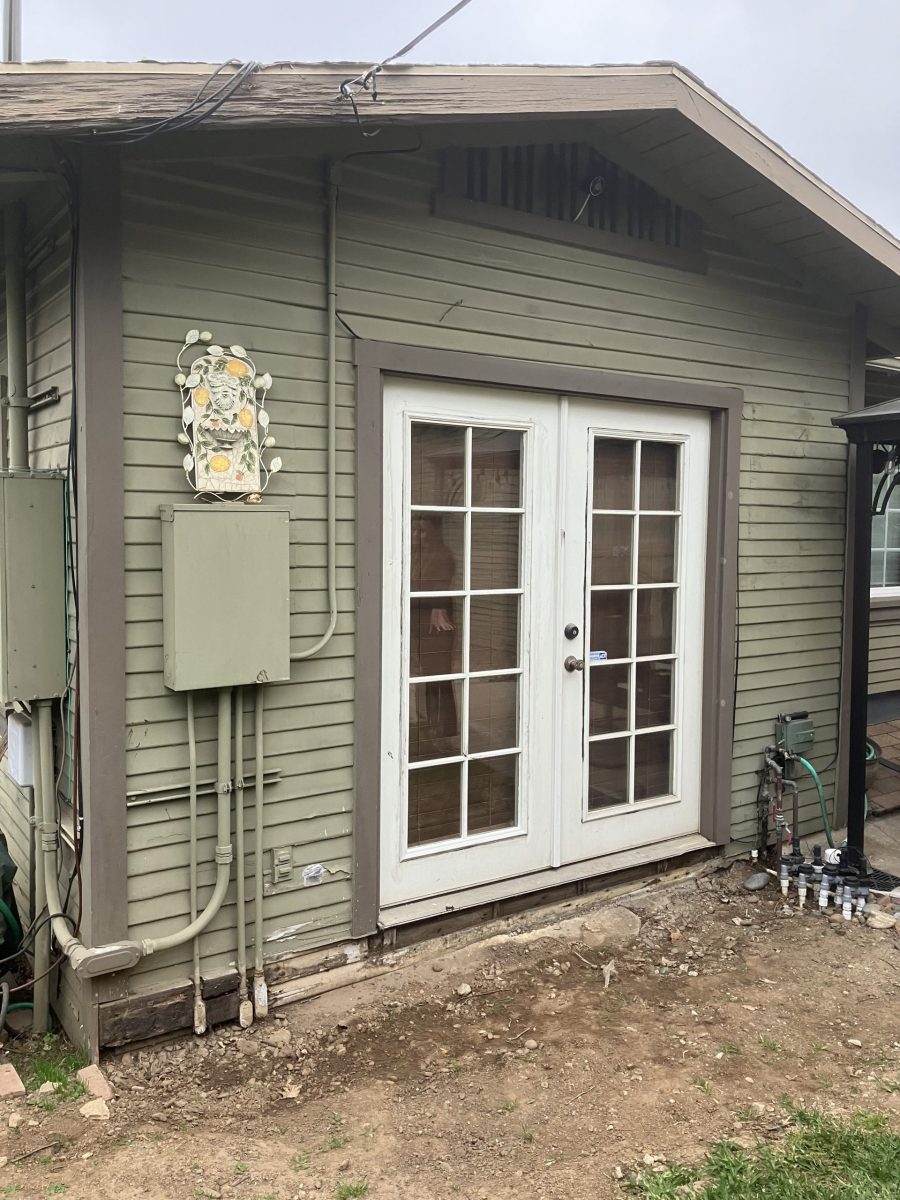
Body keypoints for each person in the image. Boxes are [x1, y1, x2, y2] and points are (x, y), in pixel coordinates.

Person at [410, 514, 459, 756]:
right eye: (415, 531)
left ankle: (445, 729)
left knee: (439, 678)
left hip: (437, 626)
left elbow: (439, 589)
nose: (417, 536)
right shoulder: (415, 556)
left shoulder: (442, 557)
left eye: (423, 532)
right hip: (420, 625)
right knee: (427, 679)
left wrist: (437, 609)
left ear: (435, 533)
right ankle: (431, 726)